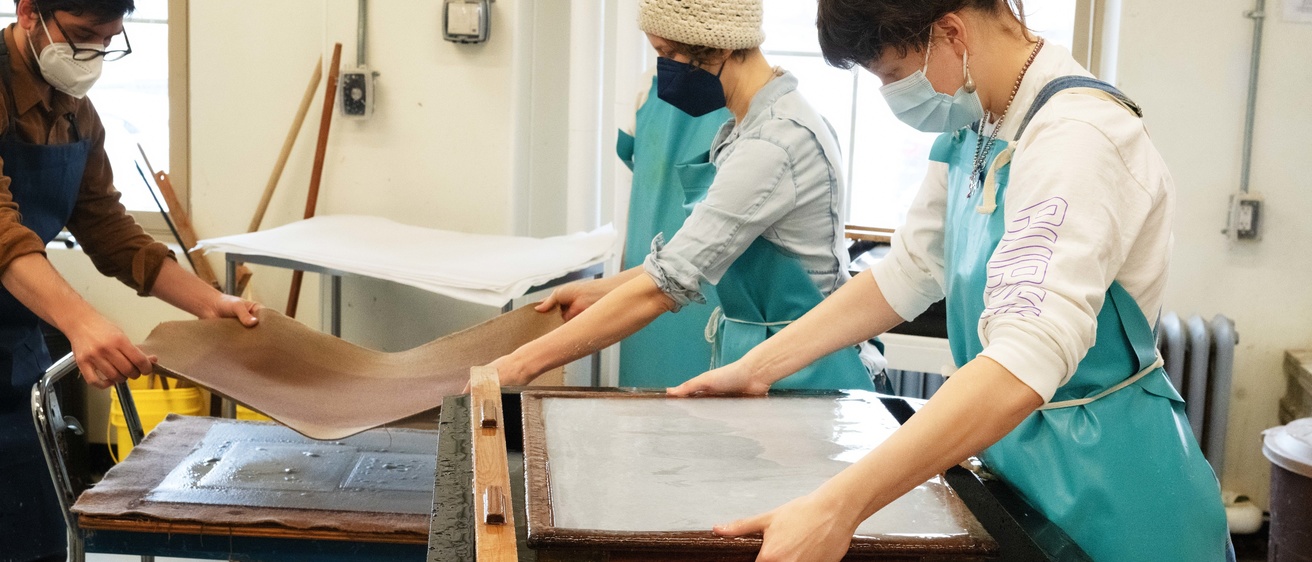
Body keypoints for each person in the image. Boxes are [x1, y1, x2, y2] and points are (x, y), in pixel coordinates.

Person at [668, 1, 1230, 561]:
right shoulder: (977, 126)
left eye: (892, 73)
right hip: (1023, 470)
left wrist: (837, 507)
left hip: (1115, 492)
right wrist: (757, 367)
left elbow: (1024, 359)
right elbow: (910, 270)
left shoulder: (1077, 138)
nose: (891, 94)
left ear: (952, 34)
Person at [494, 0, 884, 390]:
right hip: (777, 363)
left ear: (721, 45)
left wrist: (520, 365)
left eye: (668, 53)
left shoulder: (773, 143)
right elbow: (692, 252)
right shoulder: (750, 127)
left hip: (809, 373)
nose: (664, 70)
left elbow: (665, 285)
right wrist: (597, 291)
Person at [0, 1, 259, 559]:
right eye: (82, 35)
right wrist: (82, 322)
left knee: (31, 528)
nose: (92, 53)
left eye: (108, 38)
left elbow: (108, 227)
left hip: (12, 351)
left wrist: (210, 302)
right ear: (28, 13)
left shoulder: (74, 111)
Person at [610, 66, 730, 387]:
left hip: (652, 250)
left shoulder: (648, 86)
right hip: (709, 268)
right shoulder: (742, 93)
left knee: (646, 387)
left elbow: (627, 153)